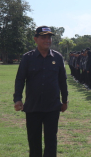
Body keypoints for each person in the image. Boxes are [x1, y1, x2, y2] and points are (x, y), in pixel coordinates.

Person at [14, 26, 68, 157]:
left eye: (49, 37)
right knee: (34, 141)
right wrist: (18, 99)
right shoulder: (28, 58)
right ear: (35, 39)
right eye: (43, 37)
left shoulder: (58, 57)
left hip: (52, 106)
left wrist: (65, 100)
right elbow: (20, 79)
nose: (47, 40)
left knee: (51, 140)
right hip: (33, 106)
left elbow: (62, 81)